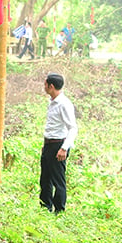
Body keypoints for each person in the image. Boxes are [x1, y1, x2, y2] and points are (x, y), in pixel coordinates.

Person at [40, 73, 77, 214]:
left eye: (45, 84)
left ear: (51, 86)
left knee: (58, 180)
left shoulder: (64, 104)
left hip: (58, 145)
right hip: (49, 144)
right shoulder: (52, 101)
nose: (44, 87)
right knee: (45, 179)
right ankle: (45, 207)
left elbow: (72, 128)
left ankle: (59, 210)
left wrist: (64, 148)